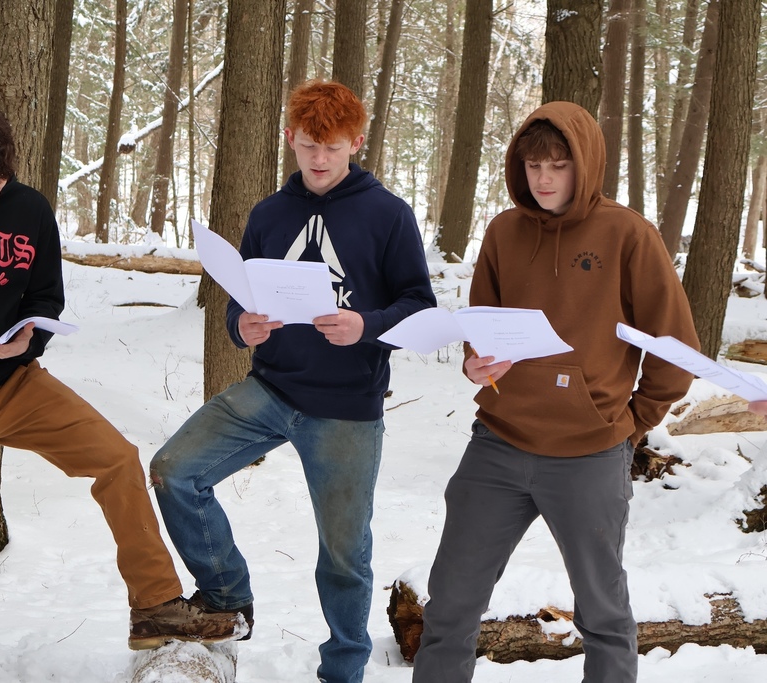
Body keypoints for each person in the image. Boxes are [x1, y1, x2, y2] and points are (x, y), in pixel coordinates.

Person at [0, 104, 246, 683]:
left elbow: (46, 295)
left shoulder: (28, 208)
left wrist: (27, 342)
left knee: (117, 460)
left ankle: (156, 606)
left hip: (19, 385)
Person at [149, 79, 437, 683]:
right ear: (290, 140)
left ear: (356, 141)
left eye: (332, 145)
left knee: (344, 554)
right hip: (271, 390)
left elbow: (419, 306)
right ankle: (227, 595)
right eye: (309, 144)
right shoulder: (269, 214)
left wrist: (367, 324)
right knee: (175, 470)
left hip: (346, 409)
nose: (320, 158)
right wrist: (242, 326)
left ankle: (343, 671)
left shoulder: (387, 215)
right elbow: (239, 301)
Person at [411, 101, 698, 683]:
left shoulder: (627, 234)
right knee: (451, 604)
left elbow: (675, 349)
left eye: (559, 165)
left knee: (603, 612)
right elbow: (481, 331)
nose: (543, 178)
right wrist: (475, 366)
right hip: (498, 444)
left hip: (589, 455)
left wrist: (625, 423)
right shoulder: (504, 231)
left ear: (584, 164)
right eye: (533, 164)